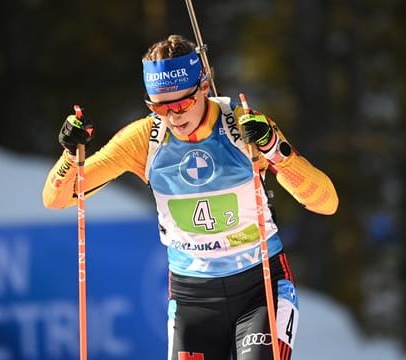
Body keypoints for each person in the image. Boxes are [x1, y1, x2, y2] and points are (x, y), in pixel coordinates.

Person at [42, 34, 338, 360]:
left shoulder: (243, 126)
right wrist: (71, 154)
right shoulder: (144, 140)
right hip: (192, 299)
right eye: (160, 107)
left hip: (259, 288)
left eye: (182, 104)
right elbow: (58, 198)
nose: (174, 117)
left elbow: (326, 202)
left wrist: (275, 152)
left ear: (204, 87)